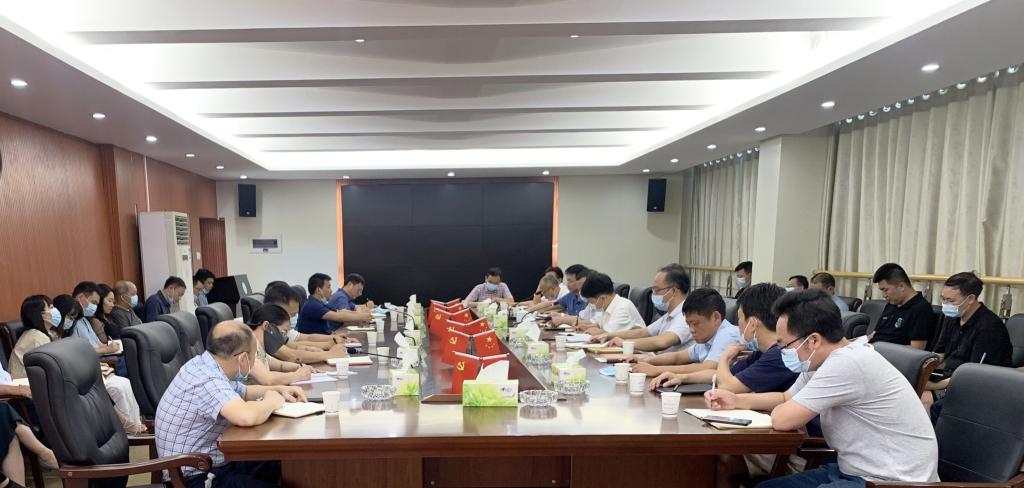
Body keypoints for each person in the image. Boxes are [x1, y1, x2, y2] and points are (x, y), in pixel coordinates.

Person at [705, 289, 939, 487]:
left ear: (813, 340)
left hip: (891, 480)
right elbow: (786, 397)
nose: (782, 351)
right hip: (854, 471)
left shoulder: (847, 363)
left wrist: (778, 409)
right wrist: (737, 400)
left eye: (784, 345)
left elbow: (783, 420)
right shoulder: (822, 359)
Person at [156, 321, 306, 488]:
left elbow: (245, 392)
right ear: (243, 358)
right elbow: (246, 417)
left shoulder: (205, 364)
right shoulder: (207, 380)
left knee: (283, 463)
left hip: (213, 463)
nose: (255, 361)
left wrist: (279, 390)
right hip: (195, 478)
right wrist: (271, 401)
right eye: (254, 356)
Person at [16, 295, 145, 434]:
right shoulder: (36, 337)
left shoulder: (47, 334)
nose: (55, 311)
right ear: (40, 314)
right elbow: (53, 368)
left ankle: (122, 425)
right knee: (91, 387)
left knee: (94, 385)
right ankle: (122, 425)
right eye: (51, 307)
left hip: (48, 384)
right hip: (36, 391)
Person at [650, 283, 796, 393]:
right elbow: (719, 375)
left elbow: (727, 386)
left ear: (752, 324)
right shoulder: (761, 352)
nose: (738, 325)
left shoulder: (778, 354)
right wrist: (681, 377)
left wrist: (725, 357)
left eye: (739, 319)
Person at [926, 272, 1012, 416]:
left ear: (971, 298)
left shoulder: (989, 327)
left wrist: (934, 386)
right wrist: (921, 373)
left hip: (979, 386)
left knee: (923, 399)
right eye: (943, 299)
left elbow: (974, 375)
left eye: (951, 300)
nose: (945, 304)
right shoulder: (953, 318)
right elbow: (939, 354)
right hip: (950, 377)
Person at [630, 288, 741, 377]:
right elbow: (678, 357)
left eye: (695, 323)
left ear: (715, 317)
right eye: (689, 324)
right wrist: (647, 360)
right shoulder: (708, 337)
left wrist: (656, 370)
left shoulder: (727, 334)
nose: (691, 330)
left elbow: (707, 368)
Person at [592, 264, 693, 353]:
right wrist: (608, 336)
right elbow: (643, 332)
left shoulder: (685, 316)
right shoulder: (669, 315)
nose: (653, 294)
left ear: (673, 291)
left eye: (657, 290)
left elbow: (662, 342)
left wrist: (625, 343)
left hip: (671, 367)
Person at [0, 352, 59, 487]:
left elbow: (4, 377)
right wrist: (16, 390)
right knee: (4, 415)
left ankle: (46, 455)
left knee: (7, 426)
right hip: (10, 401)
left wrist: (29, 379)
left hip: (10, 401)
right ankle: (46, 454)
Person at [264, 285, 350, 364]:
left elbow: (296, 346)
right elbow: (291, 355)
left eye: (293, 315)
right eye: (289, 315)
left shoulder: (278, 330)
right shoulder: (266, 329)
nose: (289, 320)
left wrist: (325, 346)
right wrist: (329, 354)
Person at [871, 263, 936, 350]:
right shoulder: (892, 303)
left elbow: (917, 348)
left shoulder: (920, 309)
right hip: (873, 350)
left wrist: (879, 348)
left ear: (901, 286)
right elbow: (874, 334)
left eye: (885, 290)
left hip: (890, 355)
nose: (884, 295)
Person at [245, 305, 315, 386]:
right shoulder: (247, 346)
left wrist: (299, 367)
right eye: (283, 332)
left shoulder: (260, 347)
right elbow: (268, 379)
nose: (282, 338)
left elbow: (280, 365)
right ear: (266, 326)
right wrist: (298, 375)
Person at [298, 273, 371, 335]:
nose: (331, 290)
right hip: (316, 343)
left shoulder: (320, 303)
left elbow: (340, 312)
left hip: (326, 336)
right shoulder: (313, 305)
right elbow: (338, 317)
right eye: (328, 287)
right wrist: (362, 316)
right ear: (318, 290)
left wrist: (362, 315)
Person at [574, 272, 644, 335]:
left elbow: (610, 335)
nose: (591, 304)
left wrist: (596, 331)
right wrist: (587, 327)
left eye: (591, 301)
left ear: (602, 298)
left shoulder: (623, 308)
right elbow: (600, 324)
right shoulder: (607, 306)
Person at [69, 282, 120, 356]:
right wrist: (106, 349)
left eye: (96, 304)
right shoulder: (70, 322)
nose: (95, 307)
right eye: (93, 302)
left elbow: (99, 344)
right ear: (80, 297)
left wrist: (111, 346)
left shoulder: (84, 320)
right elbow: (79, 352)